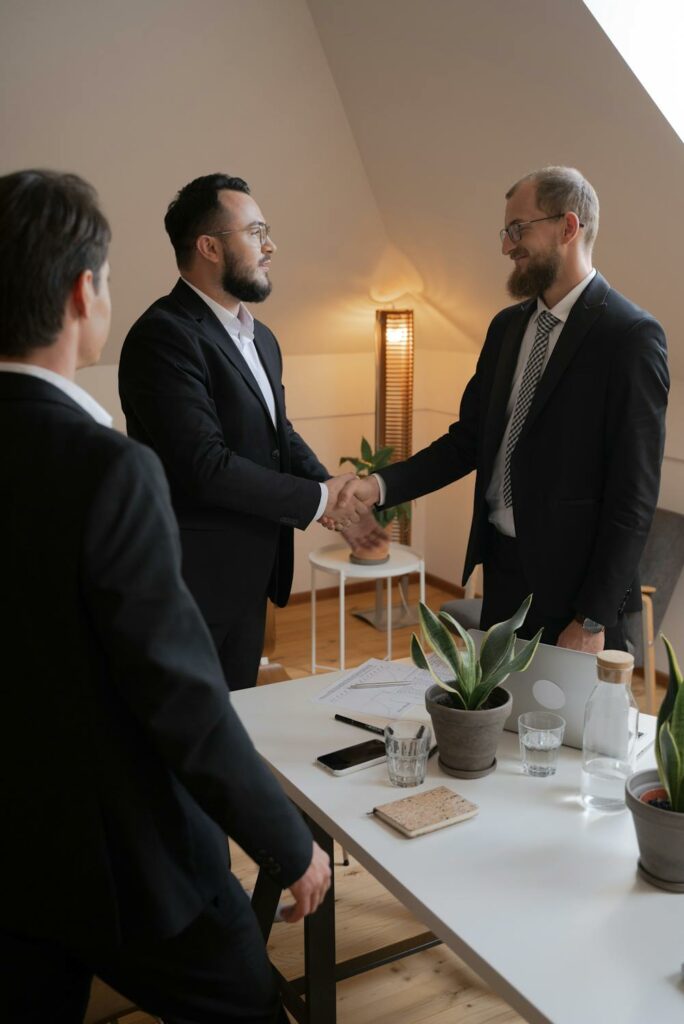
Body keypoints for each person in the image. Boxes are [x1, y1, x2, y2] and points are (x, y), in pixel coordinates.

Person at [0, 169, 330, 1024]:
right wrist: (285, 841)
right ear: (85, 293)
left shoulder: (262, 339)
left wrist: (333, 493)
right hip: (121, 859)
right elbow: (181, 703)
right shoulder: (107, 467)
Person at [340, 167, 669, 653]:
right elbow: (467, 441)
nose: (506, 246)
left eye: (518, 229)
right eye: (505, 232)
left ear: (568, 227)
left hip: (575, 594)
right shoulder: (506, 328)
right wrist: (378, 486)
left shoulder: (630, 337)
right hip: (502, 571)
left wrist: (593, 618)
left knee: (561, 732)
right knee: (499, 724)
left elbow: (633, 497)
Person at [119, 172, 374, 690]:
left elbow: (278, 434)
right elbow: (205, 467)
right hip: (192, 585)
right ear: (209, 247)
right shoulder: (162, 337)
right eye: (256, 233)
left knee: (238, 721)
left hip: (249, 577)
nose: (270, 246)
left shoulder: (262, 338)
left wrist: (333, 493)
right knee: (186, 740)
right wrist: (320, 500)